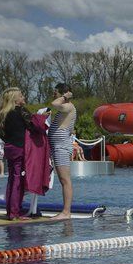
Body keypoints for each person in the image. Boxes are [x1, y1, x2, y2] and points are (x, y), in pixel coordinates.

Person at [0, 88, 33, 220]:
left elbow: (2, 134)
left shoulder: (4, 113)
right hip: (19, 148)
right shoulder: (20, 111)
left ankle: (10, 210)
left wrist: (9, 141)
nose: (23, 98)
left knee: (12, 179)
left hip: (9, 148)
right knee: (18, 180)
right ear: (15, 99)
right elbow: (32, 126)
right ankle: (14, 212)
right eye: (21, 96)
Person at [48, 83, 77, 220]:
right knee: (63, 180)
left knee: (65, 180)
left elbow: (54, 103)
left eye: (55, 92)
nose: (54, 95)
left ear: (63, 93)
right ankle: (65, 211)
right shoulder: (66, 108)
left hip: (61, 146)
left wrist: (65, 97)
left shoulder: (68, 106)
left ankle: (66, 212)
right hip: (58, 146)